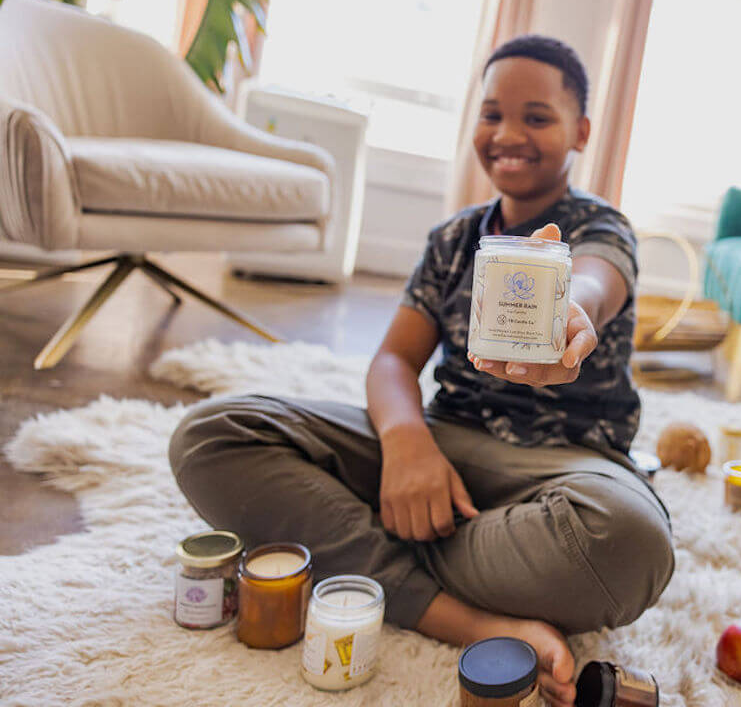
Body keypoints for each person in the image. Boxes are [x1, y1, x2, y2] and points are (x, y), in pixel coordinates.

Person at [169, 35, 674, 707]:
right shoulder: (453, 238)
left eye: (537, 117)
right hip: (442, 448)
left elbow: (595, 282)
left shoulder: (600, 226)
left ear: (580, 131)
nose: (508, 135)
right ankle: (472, 618)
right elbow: (392, 361)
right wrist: (407, 445)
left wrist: (571, 317)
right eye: (492, 114)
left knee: (631, 541)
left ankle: (362, 555)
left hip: (565, 471)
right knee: (212, 435)